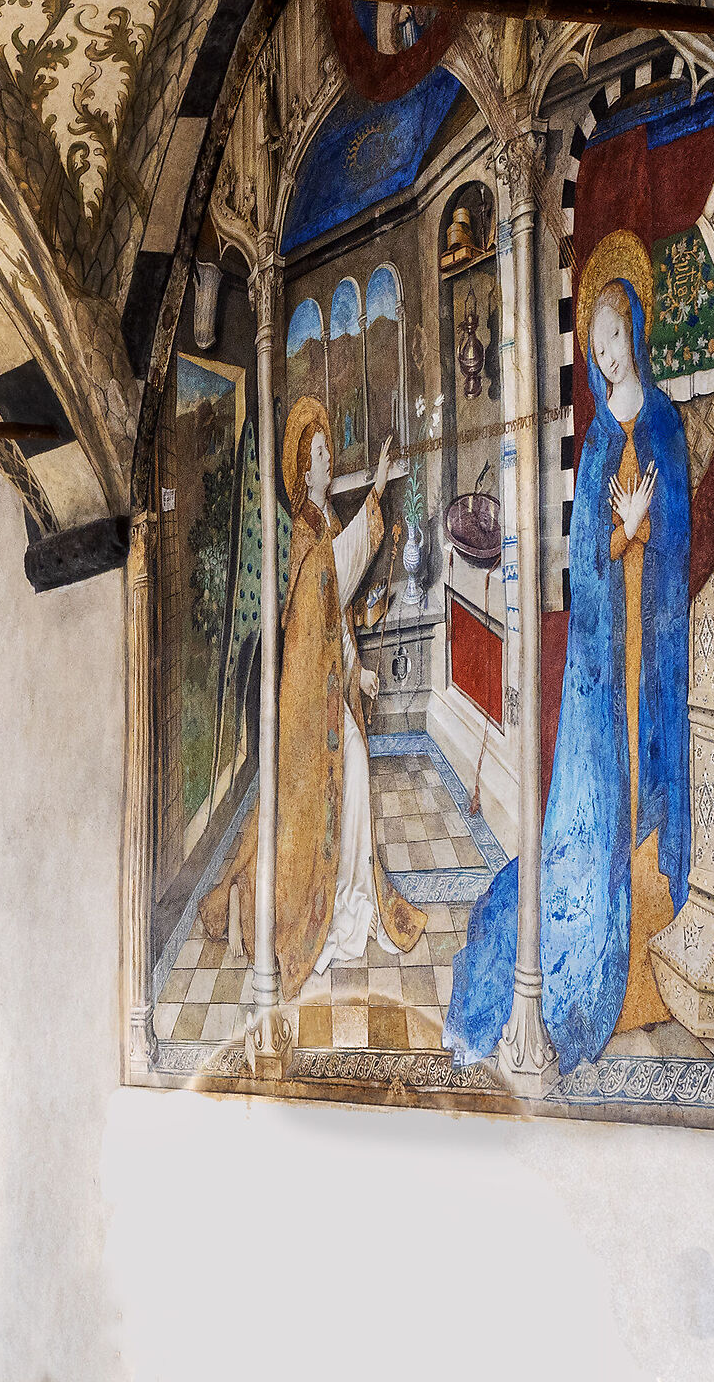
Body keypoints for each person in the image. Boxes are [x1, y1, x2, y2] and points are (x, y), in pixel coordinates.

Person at [448, 233, 690, 1070]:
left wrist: (648, 533)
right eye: (597, 343)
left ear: (638, 336)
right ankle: (601, 967)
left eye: (617, 335)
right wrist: (621, 533)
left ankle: (642, 963)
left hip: (647, 651)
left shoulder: (664, 424)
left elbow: (682, 538)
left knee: (642, 788)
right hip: (600, 650)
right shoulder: (593, 447)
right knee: (600, 799)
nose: (609, 352)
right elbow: (582, 554)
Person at [197, 397, 423, 1001]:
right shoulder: (305, 532)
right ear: (303, 469)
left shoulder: (320, 525)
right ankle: (331, 897)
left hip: (328, 686)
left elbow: (335, 615)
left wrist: (355, 671)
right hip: (305, 701)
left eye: (326, 450)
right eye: (319, 452)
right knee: (344, 767)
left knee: (353, 770)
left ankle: (350, 889)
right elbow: (324, 595)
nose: (327, 459)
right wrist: (374, 494)